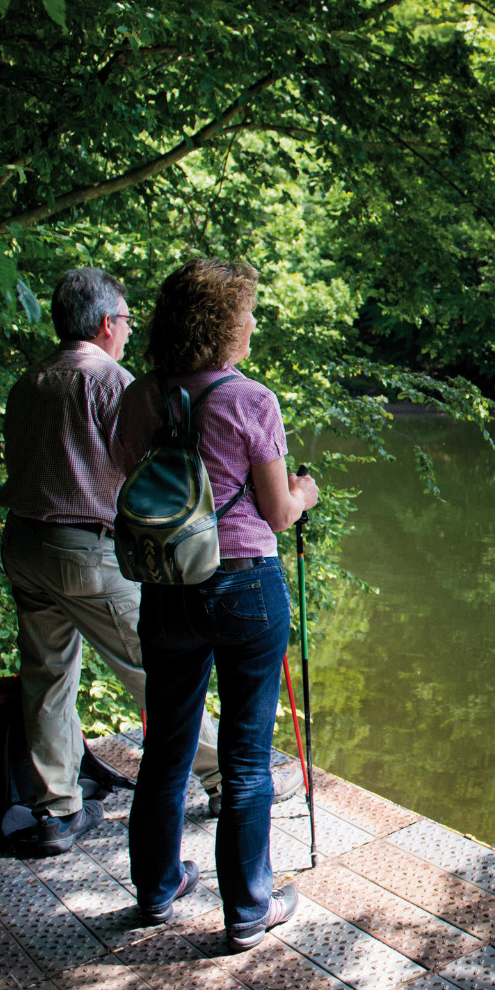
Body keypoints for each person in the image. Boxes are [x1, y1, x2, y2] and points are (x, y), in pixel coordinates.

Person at [112, 257, 318, 947]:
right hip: (243, 587)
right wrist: (306, 492)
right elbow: (279, 512)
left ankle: (155, 890)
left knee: (166, 747)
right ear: (223, 325)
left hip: (167, 585)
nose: (253, 323)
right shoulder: (249, 399)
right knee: (245, 759)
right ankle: (248, 910)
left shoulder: (142, 395)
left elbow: (128, 472)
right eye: (247, 313)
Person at [0, 267, 224, 855]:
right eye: (125, 320)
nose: (128, 332)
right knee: (158, 668)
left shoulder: (30, 380)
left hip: (23, 544)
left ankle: (56, 811)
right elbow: (149, 472)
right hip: (83, 549)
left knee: (46, 678)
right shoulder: (108, 380)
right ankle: (225, 779)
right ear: (105, 324)